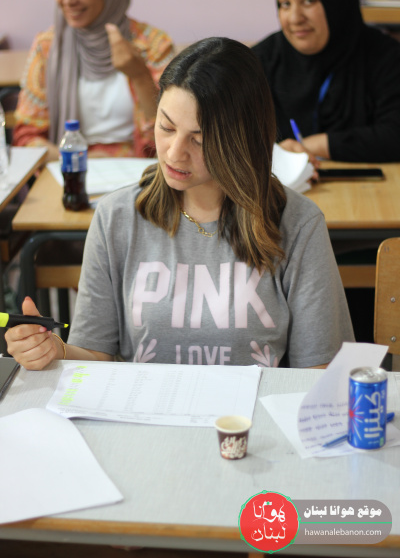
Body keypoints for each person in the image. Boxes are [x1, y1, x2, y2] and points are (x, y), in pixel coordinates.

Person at [5, 37, 354, 371]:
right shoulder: (116, 217)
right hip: (144, 408)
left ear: (240, 141)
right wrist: (55, 350)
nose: (174, 153)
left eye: (198, 139)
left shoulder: (298, 223)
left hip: (251, 412)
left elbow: (319, 370)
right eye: (167, 127)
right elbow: (96, 355)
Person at [12, 0, 174, 160]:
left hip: (139, 169)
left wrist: (140, 75)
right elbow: (27, 138)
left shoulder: (152, 45)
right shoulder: (48, 47)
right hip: (70, 169)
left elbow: (170, 135)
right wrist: (82, 160)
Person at [252, 0, 400, 164]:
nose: (295, 18)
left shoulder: (386, 57)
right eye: (285, 3)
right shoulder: (260, 61)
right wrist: (277, 153)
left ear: (337, 3)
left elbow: (394, 135)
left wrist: (315, 145)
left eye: (308, 1)